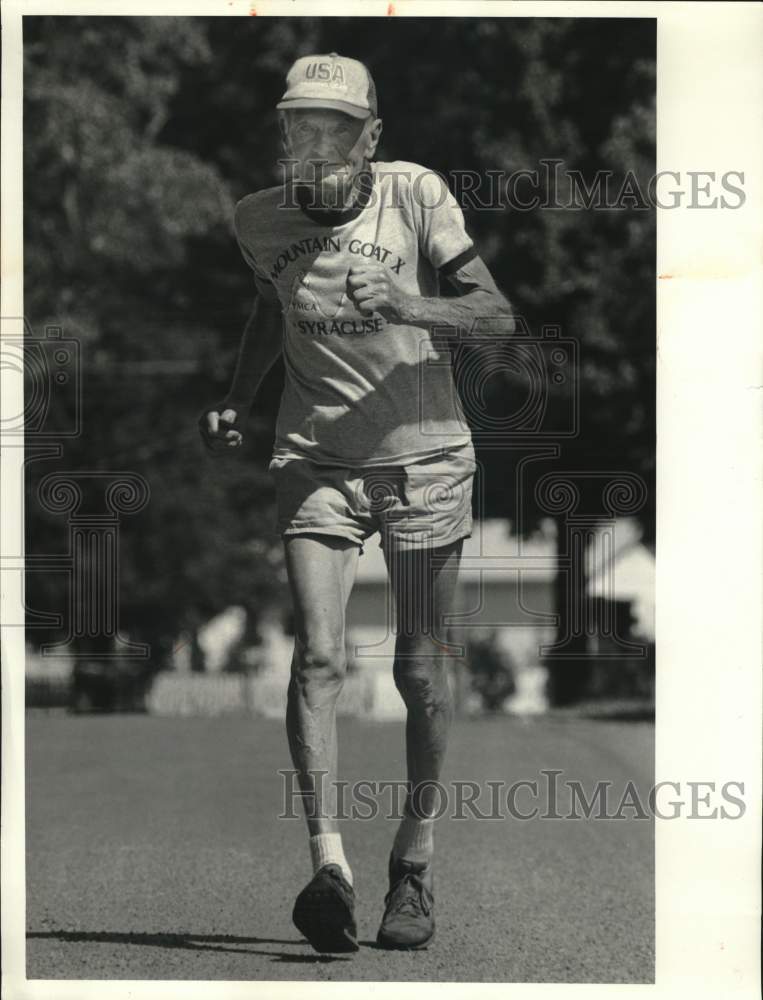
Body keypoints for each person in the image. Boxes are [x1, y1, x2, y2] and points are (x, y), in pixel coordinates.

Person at [199, 52, 513, 953]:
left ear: (372, 136)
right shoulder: (257, 219)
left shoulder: (415, 195)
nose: (318, 144)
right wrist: (240, 395)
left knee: (418, 670)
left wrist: (411, 304)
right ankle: (328, 867)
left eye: (338, 128)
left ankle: (411, 868)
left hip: (423, 459)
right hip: (315, 460)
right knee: (318, 659)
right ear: (284, 136)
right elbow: (270, 309)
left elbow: (495, 316)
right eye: (302, 127)